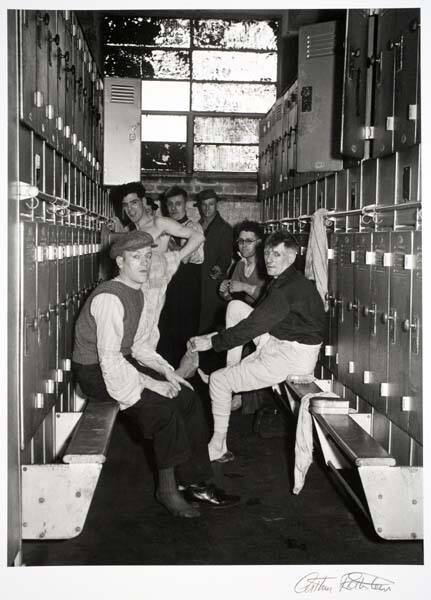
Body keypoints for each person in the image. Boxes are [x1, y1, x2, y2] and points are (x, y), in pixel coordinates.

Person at [72, 231, 240, 519]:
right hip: (94, 372)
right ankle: (167, 490)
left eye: (148, 257)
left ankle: (196, 481)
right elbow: (110, 360)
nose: (144, 263)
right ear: (120, 261)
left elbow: (137, 346)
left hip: (118, 362)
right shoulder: (110, 298)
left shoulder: (135, 291)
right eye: (136, 258)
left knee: (186, 395)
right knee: (163, 410)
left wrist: (167, 372)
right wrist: (152, 384)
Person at [189, 230, 327, 462]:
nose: (270, 260)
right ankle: (231, 371)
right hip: (281, 341)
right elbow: (255, 320)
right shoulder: (285, 280)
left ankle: (218, 445)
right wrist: (214, 336)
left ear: (292, 257)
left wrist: (212, 342)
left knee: (218, 381)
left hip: (292, 356)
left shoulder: (285, 290)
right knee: (235, 307)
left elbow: (253, 326)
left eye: (277, 254)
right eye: (267, 254)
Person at [218, 220, 267, 412]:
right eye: (240, 241)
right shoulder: (240, 265)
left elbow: (271, 298)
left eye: (249, 241)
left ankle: (232, 384)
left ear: (259, 243)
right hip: (248, 316)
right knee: (231, 312)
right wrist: (225, 292)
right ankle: (231, 379)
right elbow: (233, 299)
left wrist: (245, 287)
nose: (244, 245)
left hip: (266, 318)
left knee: (235, 333)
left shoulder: (265, 264)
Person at [157, 186, 204, 368]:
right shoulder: (165, 227)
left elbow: (185, 259)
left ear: (185, 205)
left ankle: (185, 379)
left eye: (178, 204)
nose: (174, 208)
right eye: (170, 204)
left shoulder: (193, 227)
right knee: (164, 334)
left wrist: (169, 242)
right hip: (168, 287)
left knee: (184, 335)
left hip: (187, 288)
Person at [117, 181, 204, 256]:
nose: (130, 209)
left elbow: (198, 237)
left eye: (134, 203)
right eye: (125, 205)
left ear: (143, 201)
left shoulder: (160, 223)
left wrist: (177, 258)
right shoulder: (134, 231)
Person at [196, 189, 233, 335]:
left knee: (209, 322)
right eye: (204, 205)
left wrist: (217, 269)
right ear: (199, 206)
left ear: (216, 205)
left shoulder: (225, 228)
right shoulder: (196, 226)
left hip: (213, 281)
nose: (207, 208)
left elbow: (226, 257)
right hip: (197, 279)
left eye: (211, 204)